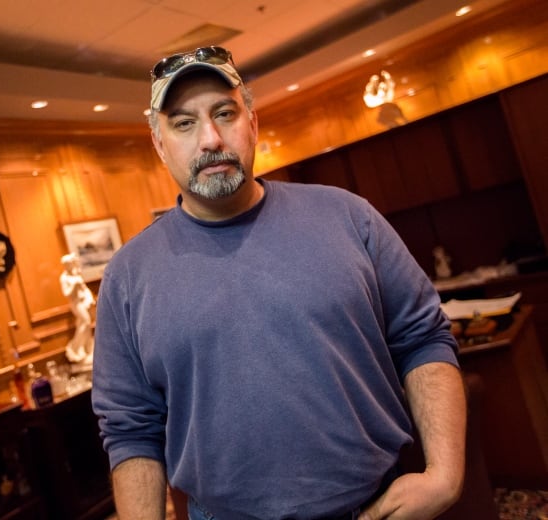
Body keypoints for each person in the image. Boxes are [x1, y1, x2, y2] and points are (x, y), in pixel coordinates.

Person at [91, 46, 466, 520]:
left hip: (379, 504)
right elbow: (131, 429)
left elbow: (424, 338)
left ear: (252, 121)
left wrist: (445, 475)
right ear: (159, 143)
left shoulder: (348, 216)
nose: (210, 139)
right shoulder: (127, 276)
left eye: (224, 113)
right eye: (183, 123)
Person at [60, 252, 96, 365]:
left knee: (85, 324)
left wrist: (90, 298)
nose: (71, 266)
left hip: (83, 301)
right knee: (85, 321)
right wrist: (73, 285)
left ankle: (87, 348)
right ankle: (75, 347)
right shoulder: (64, 278)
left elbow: (84, 288)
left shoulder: (75, 274)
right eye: (69, 264)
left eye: (72, 263)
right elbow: (66, 293)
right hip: (76, 303)